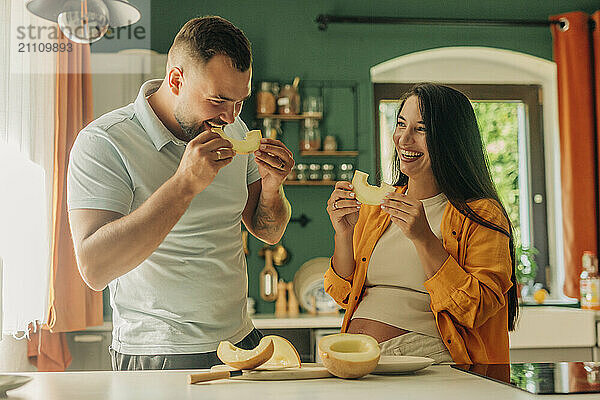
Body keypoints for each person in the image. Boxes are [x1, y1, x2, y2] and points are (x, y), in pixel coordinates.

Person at [67, 16, 294, 370]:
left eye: (239, 101)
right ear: (176, 80)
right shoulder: (104, 142)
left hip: (241, 340)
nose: (230, 116)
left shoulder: (234, 125)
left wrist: (271, 187)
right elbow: (94, 269)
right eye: (218, 100)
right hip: (157, 350)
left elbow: (268, 230)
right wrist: (184, 185)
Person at [324, 83, 518, 364]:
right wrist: (344, 233)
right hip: (355, 357)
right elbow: (343, 294)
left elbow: (477, 308)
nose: (404, 139)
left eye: (421, 129)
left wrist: (424, 238)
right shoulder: (378, 208)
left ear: (450, 139)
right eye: (401, 124)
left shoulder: (483, 214)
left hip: (425, 364)